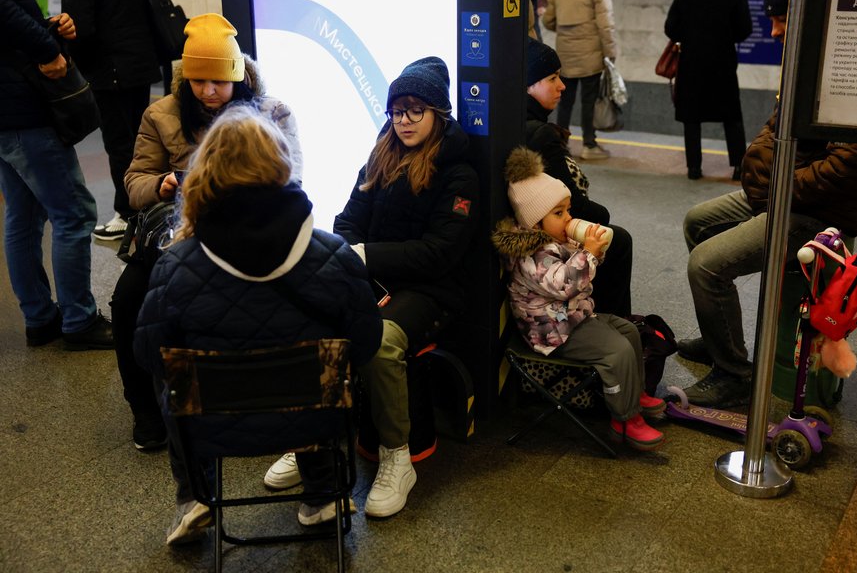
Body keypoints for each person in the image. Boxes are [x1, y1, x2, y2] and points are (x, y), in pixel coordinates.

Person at [133, 104, 382, 545]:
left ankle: (194, 496)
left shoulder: (176, 265)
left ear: (206, 170)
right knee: (326, 361)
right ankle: (324, 491)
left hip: (211, 428)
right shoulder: (333, 255)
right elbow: (365, 343)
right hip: (314, 421)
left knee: (170, 374)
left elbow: (148, 354)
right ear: (280, 163)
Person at [265, 56, 480, 519]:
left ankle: (397, 458)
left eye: (414, 110)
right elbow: (349, 217)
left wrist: (365, 256)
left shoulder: (459, 172)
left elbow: (440, 252)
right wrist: (345, 253)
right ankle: (311, 443)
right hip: (372, 277)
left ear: (438, 113)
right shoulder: (382, 152)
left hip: (431, 290)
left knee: (381, 344)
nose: (403, 120)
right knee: (308, 318)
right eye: (396, 111)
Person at [674, 0, 857, 408]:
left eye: (780, 18)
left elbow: (852, 166)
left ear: (808, 18)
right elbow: (774, 131)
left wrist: (777, 183)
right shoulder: (807, 63)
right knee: (697, 221)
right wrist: (762, 169)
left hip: (819, 214)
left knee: (706, 265)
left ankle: (734, 376)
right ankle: (720, 337)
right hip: (786, 194)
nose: (774, 30)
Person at [113, 12, 303, 452]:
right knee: (127, 301)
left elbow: (293, 179)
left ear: (238, 76)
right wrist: (159, 185)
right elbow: (135, 180)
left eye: (218, 81)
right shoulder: (161, 115)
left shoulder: (273, 113)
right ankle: (144, 409)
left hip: (248, 234)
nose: (208, 91)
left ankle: (252, 400)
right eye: (198, 81)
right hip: (176, 235)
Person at [493, 146, 666, 450]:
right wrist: (589, 255)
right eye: (558, 213)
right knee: (617, 351)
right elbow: (564, 284)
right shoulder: (532, 255)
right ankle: (624, 417)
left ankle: (633, 392)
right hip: (550, 330)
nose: (568, 218)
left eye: (568, 210)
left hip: (568, 316)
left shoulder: (553, 240)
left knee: (628, 331)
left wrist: (585, 243)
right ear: (535, 223)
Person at [0, 0, 114, 350]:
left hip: (7, 111)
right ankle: (79, 320)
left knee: (24, 213)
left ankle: (40, 318)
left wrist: (50, 24)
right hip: (21, 110)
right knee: (74, 213)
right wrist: (48, 48)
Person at [525, 38, 633, 317]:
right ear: (528, 84)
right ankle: (615, 322)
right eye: (553, 78)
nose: (561, 85)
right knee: (618, 239)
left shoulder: (511, 121)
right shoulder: (541, 134)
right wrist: (603, 214)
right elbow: (571, 202)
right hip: (541, 231)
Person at [62, 0, 163, 240]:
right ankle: (148, 207)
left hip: (109, 69)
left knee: (120, 144)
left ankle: (128, 215)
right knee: (143, 141)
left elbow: (81, 28)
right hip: (141, 63)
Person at [664, 0, 752, 181]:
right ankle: (739, 166)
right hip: (723, 63)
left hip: (691, 64)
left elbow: (670, 27)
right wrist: (725, 36)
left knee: (692, 117)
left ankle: (694, 168)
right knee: (731, 116)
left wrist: (689, 36)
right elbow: (745, 29)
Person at [541, 0, 617, 160]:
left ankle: (561, 145)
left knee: (564, 102)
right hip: (591, 54)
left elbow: (547, 20)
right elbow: (605, 25)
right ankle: (589, 145)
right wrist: (610, 54)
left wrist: (565, 31)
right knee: (589, 102)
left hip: (565, 54)